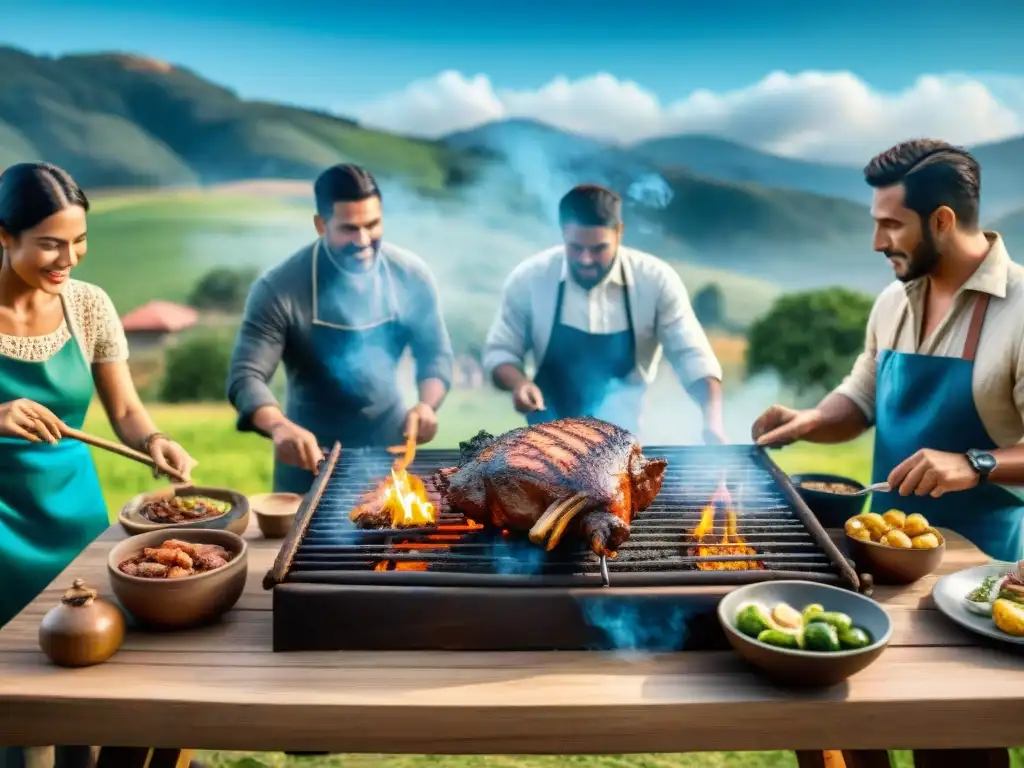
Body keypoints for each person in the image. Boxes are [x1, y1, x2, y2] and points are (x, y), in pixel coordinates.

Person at [752, 139, 1024, 565]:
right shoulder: (892, 302)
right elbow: (862, 397)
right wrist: (811, 421)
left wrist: (975, 464)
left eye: (892, 224)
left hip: (980, 565)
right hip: (879, 551)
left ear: (942, 221)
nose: (878, 242)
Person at [0, 162, 196, 627]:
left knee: (84, 639)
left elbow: (126, 409)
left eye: (79, 240)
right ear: (6, 236)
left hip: (76, 516)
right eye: (50, 244)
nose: (69, 259)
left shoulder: (88, 305)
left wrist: (153, 440)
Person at [227, 163, 454, 494]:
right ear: (321, 225)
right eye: (349, 228)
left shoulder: (411, 276)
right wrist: (278, 426)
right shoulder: (280, 287)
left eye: (372, 225)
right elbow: (246, 377)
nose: (363, 240)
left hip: (389, 457)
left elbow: (435, 356)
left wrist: (426, 406)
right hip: (309, 461)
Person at [483, 184, 725, 441]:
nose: (586, 259)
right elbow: (500, 353)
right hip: (545, 442)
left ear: (619, 232)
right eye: (576, 247)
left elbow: (693, 357)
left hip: (624, 440)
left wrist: (713, 421)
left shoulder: (656, 281)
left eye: (598, 249)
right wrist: (519, 383)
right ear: (563, 234)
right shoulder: (530, 279)